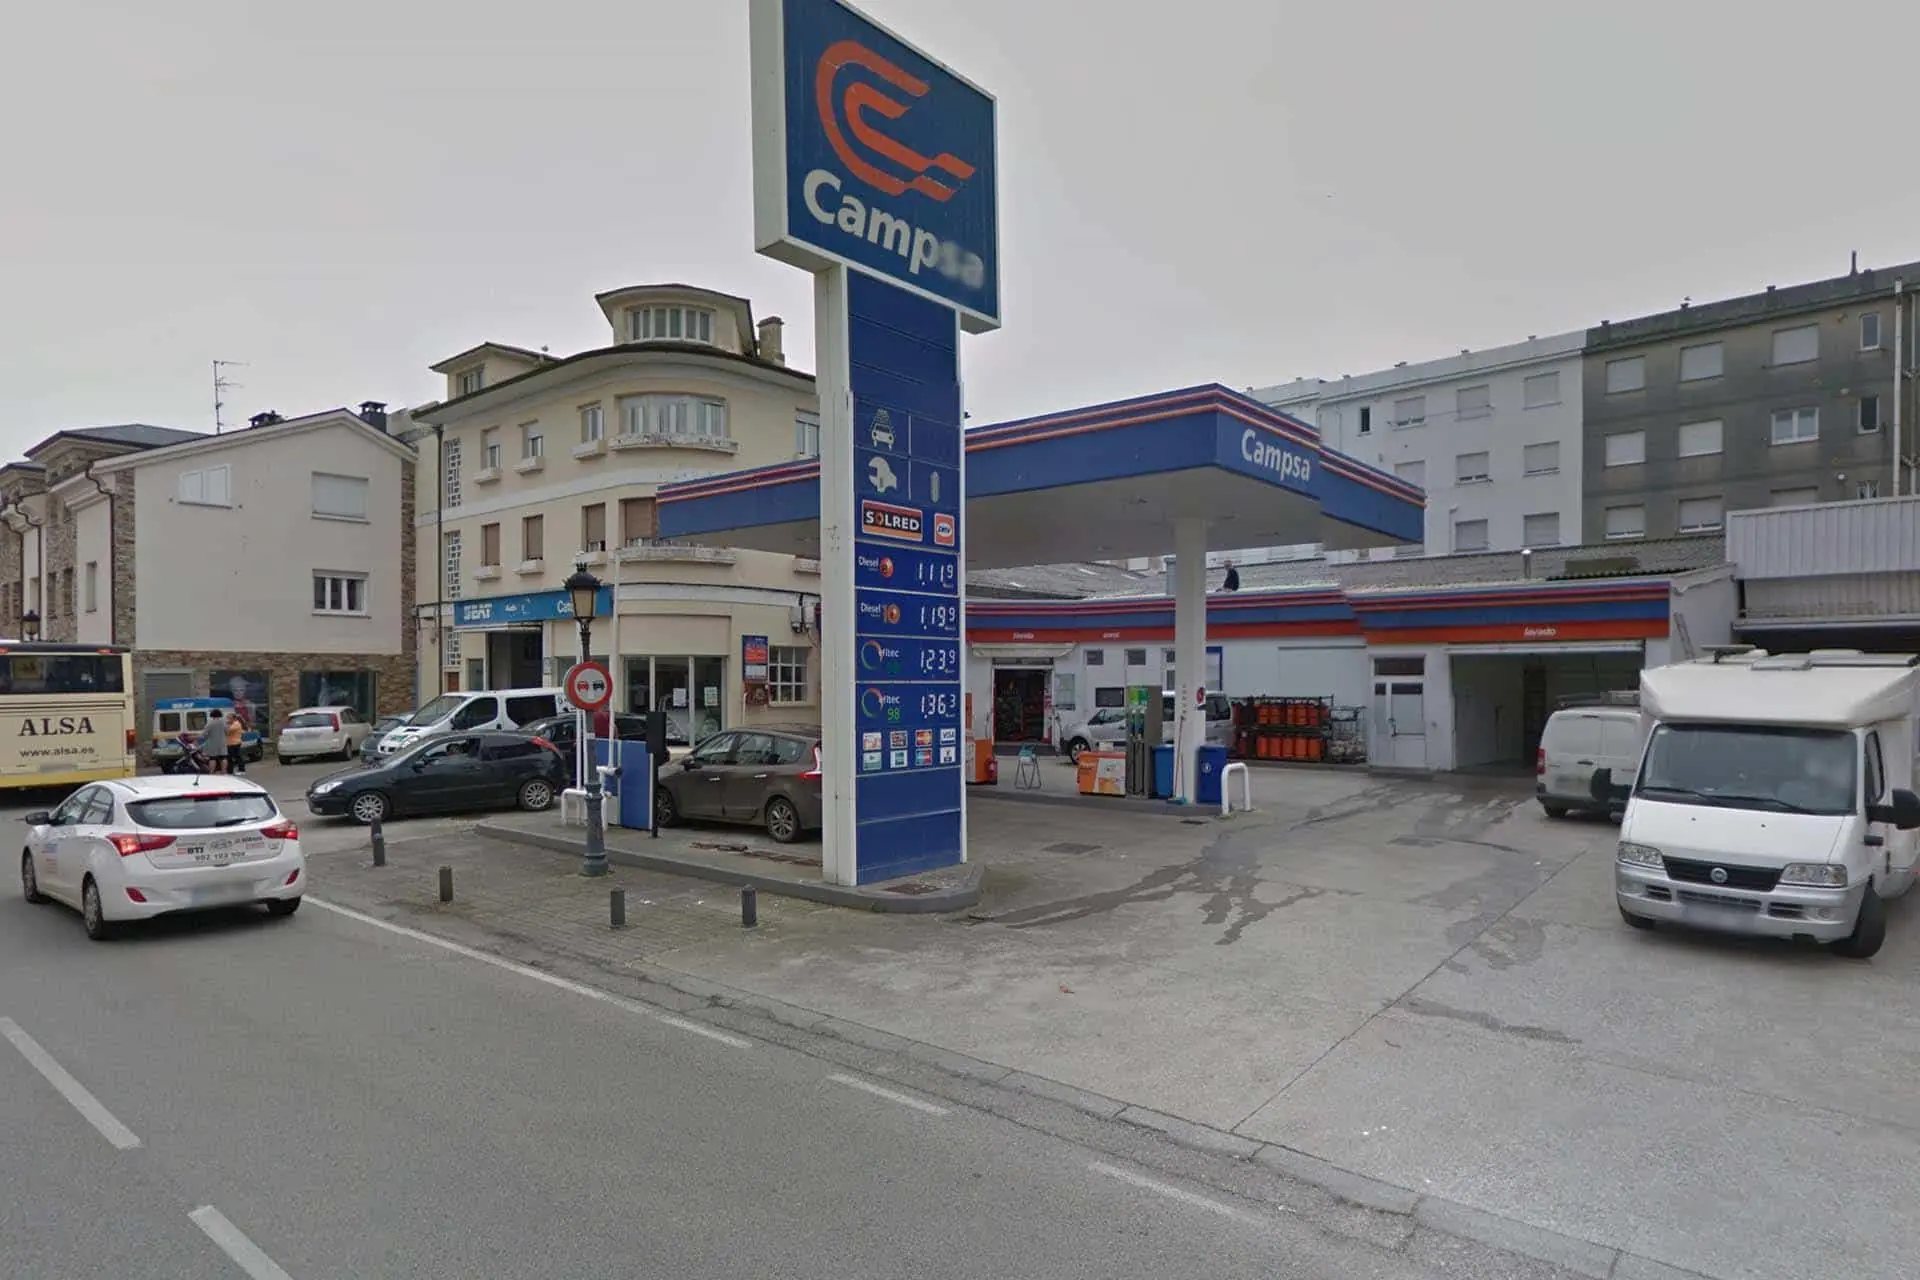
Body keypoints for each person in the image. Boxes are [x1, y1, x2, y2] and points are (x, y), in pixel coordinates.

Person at [199, 709, 230, 775]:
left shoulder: (210, 723)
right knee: (223, 757)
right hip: (222, 742)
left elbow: (203, 734)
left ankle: (211, 772)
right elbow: (227, 732)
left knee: (212, 758)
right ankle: (224, 772)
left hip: (212, 743)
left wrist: (206, 737)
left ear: (212, 715)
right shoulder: (224, 722)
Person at [225, 709, 246, 774]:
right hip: (230, 743)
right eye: (227, 718)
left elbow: (228, 730)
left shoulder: (236, 724)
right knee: (230, 757)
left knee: (236, 757)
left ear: (234, 718)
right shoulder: (232, 724)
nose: (227, 719)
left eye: (229, 718)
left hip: (234, 743)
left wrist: (227, 724)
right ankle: (230, 771)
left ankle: (241, 770)